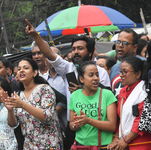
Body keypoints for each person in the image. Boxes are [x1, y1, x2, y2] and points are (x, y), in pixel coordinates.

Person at [25, 19, 110, 149]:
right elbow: (49, 54)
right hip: (73, 127)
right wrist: (36, 36)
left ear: (91, 52)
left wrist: (83, 90)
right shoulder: (68, 68)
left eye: (80, 49)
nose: (75, 52)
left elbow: (107, 97)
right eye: (73, 49)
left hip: (96, 127)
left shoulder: (101, 72)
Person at [2, 58, 63, 149]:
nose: (21, 70)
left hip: (50, 144)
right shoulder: (18, 95)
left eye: (25, 68)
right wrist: (10, 110)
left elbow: (48, 116)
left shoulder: (44, 89)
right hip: (29, 146)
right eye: (19, 69)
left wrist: (23, 105)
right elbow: (13, 124)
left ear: (34, 73)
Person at [107, 56, 151, 150]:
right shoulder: (122, 91)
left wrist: (126, 140)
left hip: (142, 143)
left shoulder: (144, 91)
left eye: (125, 72)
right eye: (120, 71)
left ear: (138, 74)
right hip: (125, 143)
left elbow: (141, 119)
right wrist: (116, 137)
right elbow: (121, 118)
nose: (121, 75)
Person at [69, 61, 117, 149]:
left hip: (102, 146)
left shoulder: (107, 94)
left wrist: (89, 121)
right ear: (81, 79)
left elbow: (112, 126)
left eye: (97, 75)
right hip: (81, 146)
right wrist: (76, 124)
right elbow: (71, 124)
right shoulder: (74, 95)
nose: (96, 78)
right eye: (91, 75)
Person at [110, 28, 146, 97]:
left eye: (125, 43)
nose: (120, 45)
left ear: (135, 47)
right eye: (118, 42)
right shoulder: (114, 68)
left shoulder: (144, 64)